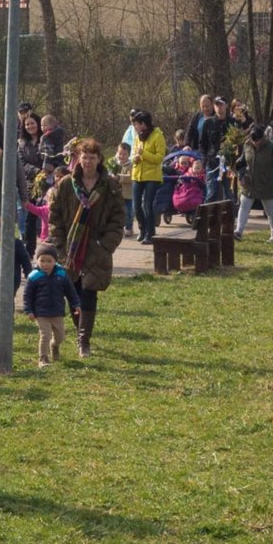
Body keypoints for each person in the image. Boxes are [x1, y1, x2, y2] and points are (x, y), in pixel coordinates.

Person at [49, 137, 128, 358]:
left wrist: (106, 245)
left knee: (89, 291)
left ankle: (84, 340)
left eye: (92, 158)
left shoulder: (110, 186)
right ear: (78, 159)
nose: (88, 162)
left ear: (99, 159)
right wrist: (59, 243)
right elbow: (54, 216)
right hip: (71, 247)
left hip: (96, 246)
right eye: (84, 158)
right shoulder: (66, 184)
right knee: (72, 292)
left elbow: (118, 218)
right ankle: (79, 329)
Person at [21, 243, 81, 366]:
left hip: (57, 312)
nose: (45, 264)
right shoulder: (33, 277)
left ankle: (54, 346)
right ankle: (43, 359)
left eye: (49, 261)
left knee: (60, 336)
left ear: (55, 261)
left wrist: (76, 304)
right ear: (37, 260)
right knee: (45, 335)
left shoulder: (62, 275)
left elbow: (70, 291)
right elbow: (27, 295)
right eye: (42, 261)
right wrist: (29, 310)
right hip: (41, 313)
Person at [237, 125, 273, 241]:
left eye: (257, 140)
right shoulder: (247, 145)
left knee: (270, 211)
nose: (255, 142)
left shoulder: (272, 148)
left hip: (267, 184)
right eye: (253, 140)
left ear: (263, 137)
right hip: (249, 183)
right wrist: (237, 166)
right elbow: (243, 161)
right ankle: (239, 231)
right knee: (244, 206)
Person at [126, 109, 166, 244]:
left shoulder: (157, 135)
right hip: (137, 174)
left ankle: (150, 233)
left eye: (136, 124)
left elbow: (160, 158)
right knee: (136, 205)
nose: (135, 127)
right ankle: (142, 229)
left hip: (152, 176)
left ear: (143, 124)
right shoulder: (138, 137)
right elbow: (134, 154)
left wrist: (144, 154)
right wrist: (135, 158)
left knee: (147, 204)